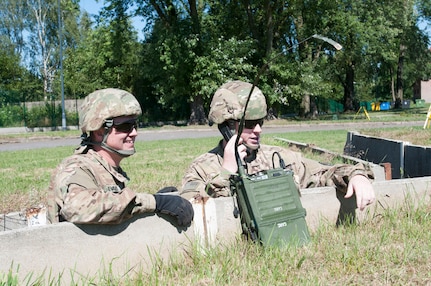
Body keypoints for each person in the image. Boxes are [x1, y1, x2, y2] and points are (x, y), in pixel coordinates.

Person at [180, 80, 375, 211]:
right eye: (249, 124)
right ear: (227, 126)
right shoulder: (203, 168)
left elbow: (323, 173)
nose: (258, 130)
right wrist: (227, 172)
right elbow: (191, 209)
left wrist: (356, 175)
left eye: (261, 122)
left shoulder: (278, 158)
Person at [47, 88, 194, 226]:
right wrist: (152, 202)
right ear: (98, 131)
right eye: (125, 126)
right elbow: (78, 208)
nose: (134, 132)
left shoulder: (105, 167)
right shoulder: (78, 167)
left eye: (135, 125)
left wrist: (155, 203)